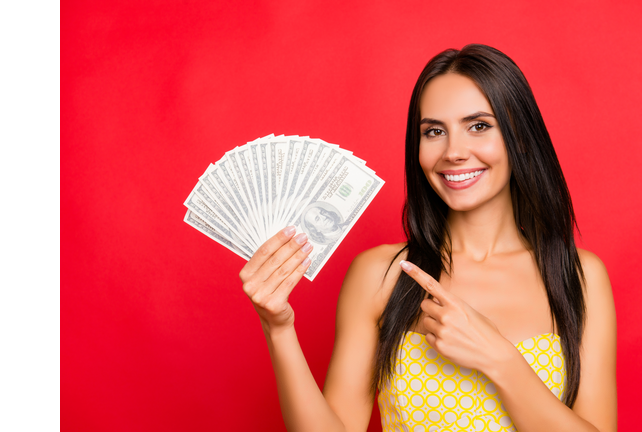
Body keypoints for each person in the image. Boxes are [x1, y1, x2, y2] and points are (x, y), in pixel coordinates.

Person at [238, 44, 617, 432]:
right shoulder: (381, 275)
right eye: (434, 131)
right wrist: (278, 328)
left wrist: (499, 359)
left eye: (479, 126)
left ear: (520, 137)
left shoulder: (580, 277)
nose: (453, 152)